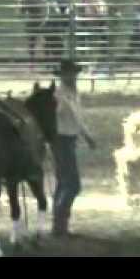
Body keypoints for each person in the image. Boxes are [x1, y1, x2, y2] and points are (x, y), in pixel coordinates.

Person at [51, 62, 96, 237]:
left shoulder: (70, 94)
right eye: (69, 74)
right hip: (61, 140)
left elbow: (76, 118)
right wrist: (87, 136)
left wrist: (86, 135)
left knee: (64, 182)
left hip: (67, 140)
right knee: (72, 184)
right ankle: (60, 224)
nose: (73, 77)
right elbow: (67, 117)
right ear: (62, 75)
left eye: (74, 74)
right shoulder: (59, 95)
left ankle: (59, 224)